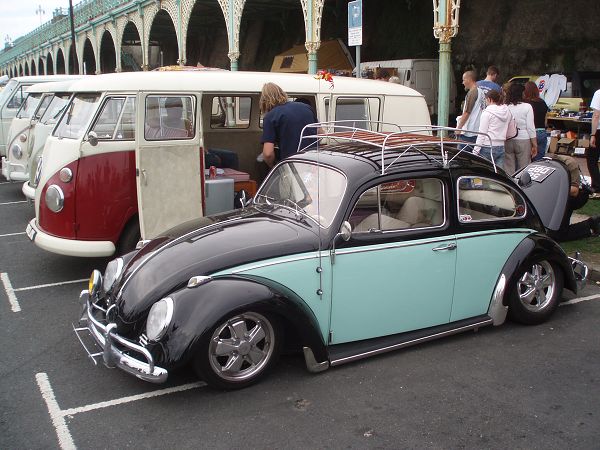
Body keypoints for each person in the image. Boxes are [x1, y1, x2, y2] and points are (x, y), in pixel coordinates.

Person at [260, 82, 317, 168]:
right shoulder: (306, 107)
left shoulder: (270, 117)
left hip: (292, 164)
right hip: (313, 162)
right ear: (282, 93)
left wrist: (273, 167)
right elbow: (320, 133)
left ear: (264, 100)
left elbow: (268, 154)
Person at [549, 154, 600, 241]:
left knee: (557, 234)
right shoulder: (540, 163)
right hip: (558, 197)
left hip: (572, 198)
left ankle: (591, 225)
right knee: (549, 230)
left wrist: (550, 189)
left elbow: (574, 191)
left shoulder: (569, 163)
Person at [504, 82, 537, 174]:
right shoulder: (527, 107)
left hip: (508, 139)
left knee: (508, 168)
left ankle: (509, 182)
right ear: (521, 93)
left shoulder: (505, 107)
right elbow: (530, 128)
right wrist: (534, 144)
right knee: (524, 168)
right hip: (523, 139)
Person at [473, 90, 510, 168]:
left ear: (489, 99)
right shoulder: (506, 111)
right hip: (501, 145)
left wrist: (475, 151)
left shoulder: (486, 113)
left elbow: (482, 134)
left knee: (485, 171)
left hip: (487, 145)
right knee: (498, 172)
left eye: (485, 99)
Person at [456, 70, 485, 148]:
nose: (463, 83)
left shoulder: (472, 92)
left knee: (460, 154)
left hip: (468, 132)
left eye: (464, 80)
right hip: (478, 130)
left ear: (469, 79)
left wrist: (459, 128)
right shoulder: (481, 92)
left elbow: (467, 112)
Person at [522, 80, 549, 161]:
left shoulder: (525, 103)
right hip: (542, 132)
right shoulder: (543, 103)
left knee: (527, 160)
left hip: (530, 134)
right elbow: (546, 121)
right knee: (539, 161)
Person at [587, 87, 600, 197]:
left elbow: (596, 115)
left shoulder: (598, 93)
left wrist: (593, 134)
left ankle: (596, 186)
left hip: (599, 130)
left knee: (592, 158)